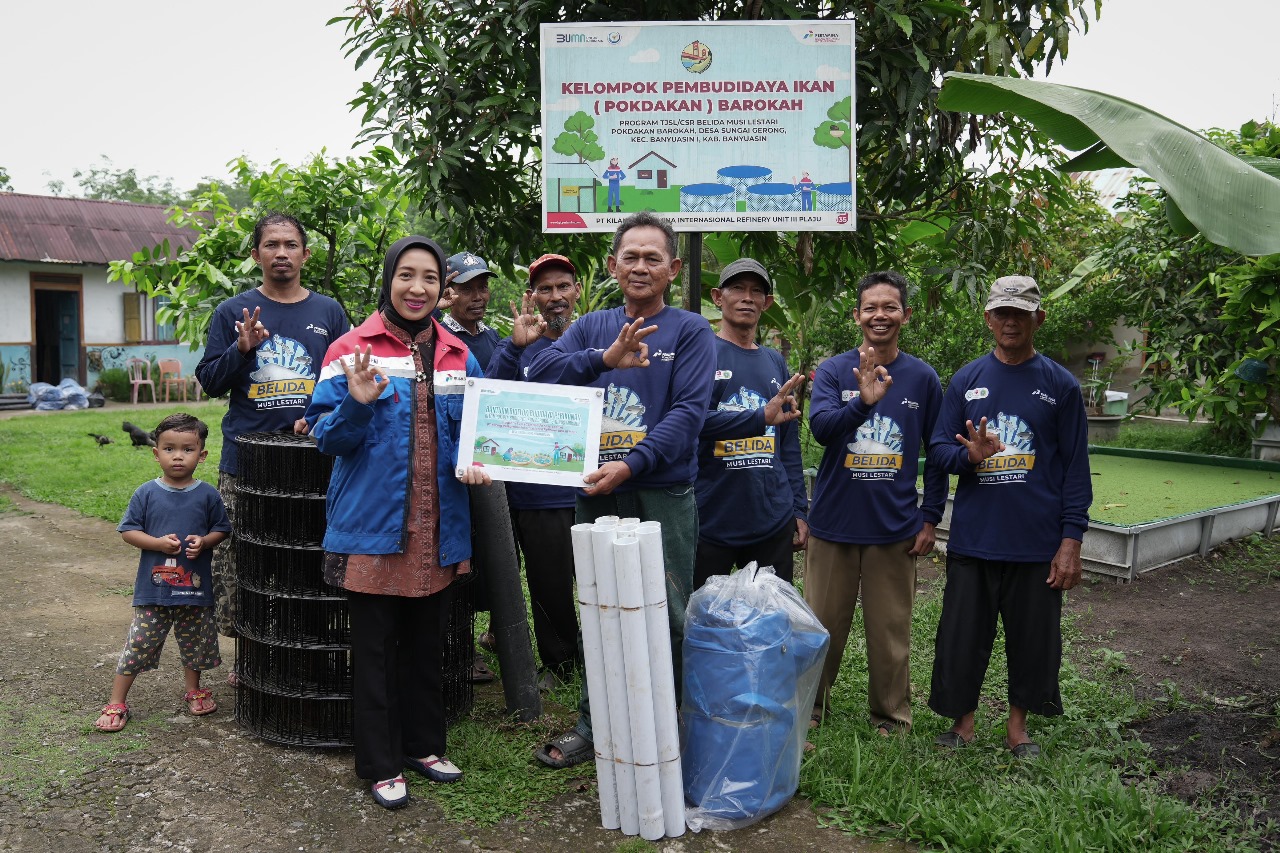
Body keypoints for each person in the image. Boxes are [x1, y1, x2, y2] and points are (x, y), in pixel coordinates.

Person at [306, 235, 490, 809]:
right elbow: (326, 439)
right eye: (406, 275)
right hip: (373, 525)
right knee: (376, 649)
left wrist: (483, 458)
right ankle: (381, 762)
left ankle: (423, 745)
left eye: (430, 278)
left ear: (444, 288)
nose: (418, 288)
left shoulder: (460, 353)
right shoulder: (349, 349)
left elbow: (478, 432)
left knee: (425, 644)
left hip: (437, 524)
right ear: (389, 279)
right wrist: (356, 402)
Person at [526, 211, 715, 768]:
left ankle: (674, 730)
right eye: (629, 256)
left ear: (674, 268)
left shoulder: (691, 331)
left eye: (653, 257)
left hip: (662, 494)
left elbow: (688, 413)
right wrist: (603, 360)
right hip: (595, 493)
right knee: (601, 609)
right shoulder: (590, 328)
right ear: (612, 265)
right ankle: (595, 724)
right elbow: (542, 377)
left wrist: (632, 465)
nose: (640, 266)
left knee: (671, 612)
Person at [926, 274, 1091, 758]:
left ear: (1038, 317)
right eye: (1002, 312)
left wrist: (1071, 540)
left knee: (1032, 641)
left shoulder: (1061, 385)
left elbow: (1075, 471)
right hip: (975, 538)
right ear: (988, 319)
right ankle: (963, 723)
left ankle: (1018, 728)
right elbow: (937, 449)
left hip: (1036, 541)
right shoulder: (966, 379)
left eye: (1020, 313)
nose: (1010, 321)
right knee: (962, 636)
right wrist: (970, 457)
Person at [195, 213, 349, 650]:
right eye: (271, 245)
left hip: (314, 460)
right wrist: (242, 349)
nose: (281, 253)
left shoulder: (329, 312)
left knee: (306, 557)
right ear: (255, 254)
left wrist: (321, 416)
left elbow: (348, 378)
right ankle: (254, 650)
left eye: (290, 244)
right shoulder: (232, 312)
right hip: (246, 465)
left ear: (305, 253)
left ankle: (307, 642)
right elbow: (209, 381)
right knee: (246, 561)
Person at [804, 270, 946, 736]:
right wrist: (862, 403)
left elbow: (939, 451)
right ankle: (809, 713)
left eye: (889, 307)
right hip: (833, 525)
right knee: (819, 632)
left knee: (890, 636)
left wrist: (930, 518)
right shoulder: (831, 370)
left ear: (905, 314)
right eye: (870, 308)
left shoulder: (923, 378)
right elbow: (821, 429)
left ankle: (891, 718)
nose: (879, 315)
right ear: (857, 315)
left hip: (895, 530)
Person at [94, 413, 232, 733]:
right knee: (139, 643)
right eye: (169, 449)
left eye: (188, 449)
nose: (178, 456)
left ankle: (194, 690)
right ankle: (117, 701)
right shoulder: (146, 493)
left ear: (202, 454)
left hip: (195, 591)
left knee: (195, 644)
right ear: (156, 453)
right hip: (154, 590)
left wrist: (205, 541)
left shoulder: (208, 494)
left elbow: (221, 530)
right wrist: (156, 543)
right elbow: (129, 532)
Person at [485, 253, 584, 689]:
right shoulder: (522, 344)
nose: (555, 297)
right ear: (534, 297)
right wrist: (514, 347)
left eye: (563, 286)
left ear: (577, 290)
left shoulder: (591, 336)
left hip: (583, 485)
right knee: (546, 583)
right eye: (545, 289)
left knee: (593, 581)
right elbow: (490, 395)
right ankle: (561, 664)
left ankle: (595, 657)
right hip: (529, 490)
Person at [693, 257, 808, 588]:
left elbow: (787, 445)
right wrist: (757, 417)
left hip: (769, 521)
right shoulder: (702, 354)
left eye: (756, 291)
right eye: (737, 289)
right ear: (718, 297)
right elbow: (692, 422)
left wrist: (798, 509)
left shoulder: (774, 361)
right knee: (702, 623)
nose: (747, 297)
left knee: (767, 623)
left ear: (766, 302)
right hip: (710, 520)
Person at [441, 251, 501, 371]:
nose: (478, 297)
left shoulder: (492, 336)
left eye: (483, 287)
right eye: (466, 289)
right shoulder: (438, 337)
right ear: (447, 292)